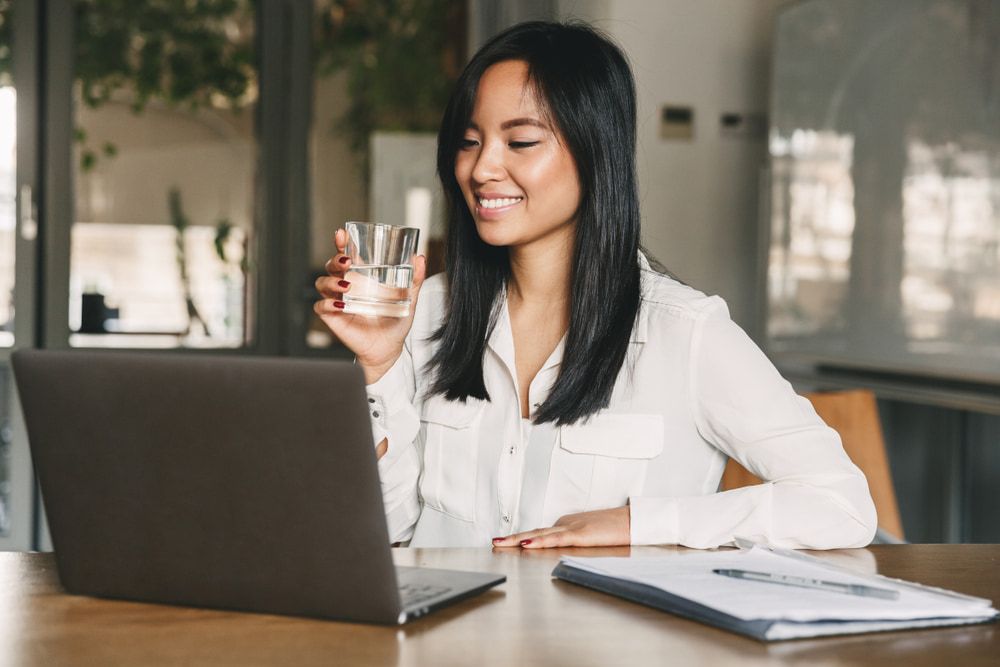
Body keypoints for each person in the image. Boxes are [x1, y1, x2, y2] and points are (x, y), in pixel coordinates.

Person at [314, 21, 877, 550]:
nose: (482, 168)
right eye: (468, 141)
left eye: (522, 142)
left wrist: (641, 523)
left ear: (595, 150)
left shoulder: (683, 331)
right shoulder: (428, 311)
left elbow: (842, 504)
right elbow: (387, 528)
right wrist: (380, 366)